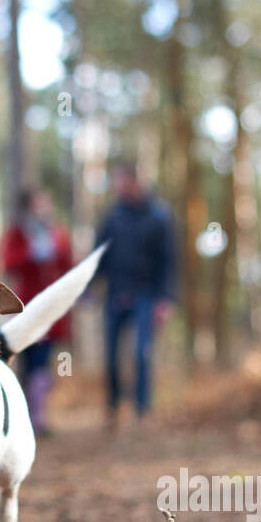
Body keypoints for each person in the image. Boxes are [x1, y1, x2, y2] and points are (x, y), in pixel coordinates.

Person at [95, 161, 175, 424]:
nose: (121, 189)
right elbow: (99, 257)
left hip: (147, 296)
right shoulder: (112, 217)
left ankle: (142, 409)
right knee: (111, 355)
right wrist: (89, 287)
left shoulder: (159, 216)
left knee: (142, 353)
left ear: (137, 183)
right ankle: (113, 405)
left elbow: (169, 261)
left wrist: (165, 299)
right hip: (116, 293)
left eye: (125, 183)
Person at [1, 188, 73, 436]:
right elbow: (9, 263)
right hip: (24, 306)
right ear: (29, 206)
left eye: (46, 203)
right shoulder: (17, 233)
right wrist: (32, 254)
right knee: (24, 361)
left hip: (50, 308)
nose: (43, 208)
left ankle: (38, 416)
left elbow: (67, 264)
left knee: (42, 361)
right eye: (38, 204)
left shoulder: (57, 232)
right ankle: (20, 414)